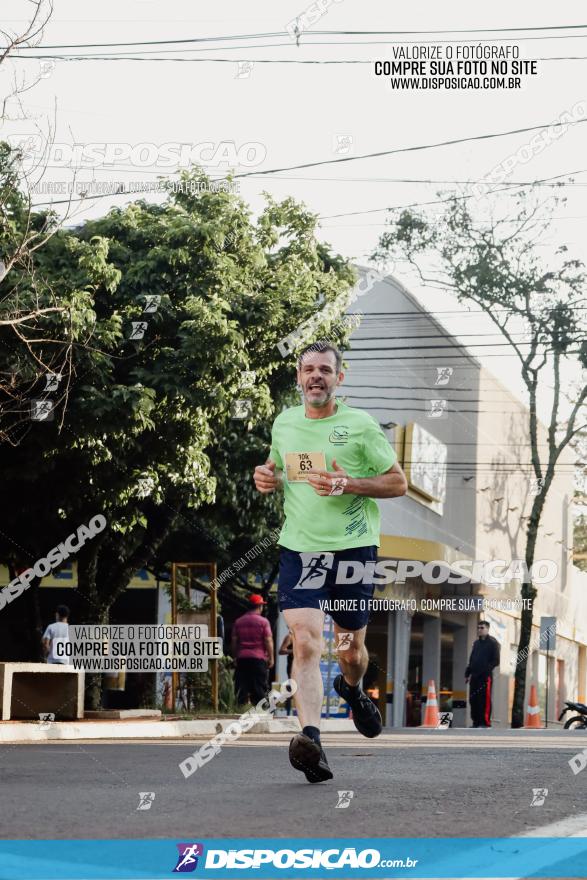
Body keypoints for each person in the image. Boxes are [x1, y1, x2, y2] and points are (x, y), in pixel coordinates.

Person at [253, 341, 407, 783]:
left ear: (340, 377)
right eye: (308, 369)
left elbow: (398, 483)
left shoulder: (359, 425)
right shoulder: (284, 422)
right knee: (304, 641)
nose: (315, 376)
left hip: (354, 549)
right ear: (299, 377)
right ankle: (312, 740)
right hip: (301, 549)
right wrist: (268, 477)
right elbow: (279, 469)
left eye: (325, 369)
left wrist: (349, 483)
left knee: (349, 649)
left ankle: (352, 688)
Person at [231, 594, 274, 705]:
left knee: (242, 687)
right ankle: (262, 711)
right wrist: (271, 658)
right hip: (258, 659)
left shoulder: (238, 621)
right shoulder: (264, 622)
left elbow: (234, 642)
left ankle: (239, 710)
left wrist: (235, 657)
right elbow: (268, 641)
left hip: (242, 659)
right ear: (260, 606)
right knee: (259, 687)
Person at [465, 620, 501, 728]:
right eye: (478, 628)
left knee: (484, 699)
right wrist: (467, 673)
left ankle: (484, 722)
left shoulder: (493, 643)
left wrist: (486, 670)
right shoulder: (476, 644)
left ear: (487, 629)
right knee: (473, 699)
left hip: (485, 677)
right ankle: (476, 722)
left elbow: (496, 661)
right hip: (474, 677)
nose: (479, 630)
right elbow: (472, 659)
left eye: (482, 628)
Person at [278, 631, 294, 714]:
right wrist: (295, 651)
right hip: (293, 666)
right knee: (292, 688)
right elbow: (281, 651)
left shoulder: (304, 636)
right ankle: (288, 713)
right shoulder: (290, 637)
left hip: (304, 666)